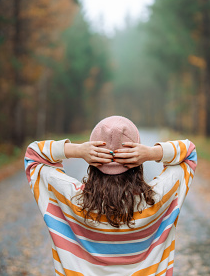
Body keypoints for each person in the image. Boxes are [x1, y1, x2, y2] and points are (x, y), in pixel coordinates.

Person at [24, 116, 197, 276]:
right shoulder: (159, 198)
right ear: (137, 160)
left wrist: (77, 150)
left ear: (92, 159)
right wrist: (151, 153)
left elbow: (33, 155)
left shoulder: (70, 199)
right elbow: (188, 153)